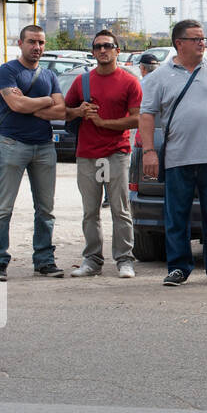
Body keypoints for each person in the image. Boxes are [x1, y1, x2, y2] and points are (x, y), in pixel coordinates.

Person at [138, 20, 207, 287]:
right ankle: (178, 268)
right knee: (176, 216)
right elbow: (147, 116)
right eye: (196, 39)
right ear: (179, 43)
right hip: (177, 158)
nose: (202, 43)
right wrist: (149, 151)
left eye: (203, 39)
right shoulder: (159, 77)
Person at [0, 25, 66, 280]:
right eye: (32, 42)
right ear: (20, 43)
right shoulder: (8, 71)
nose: (37, 47)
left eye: (41, 43)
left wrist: (30, 105)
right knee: (3, 208)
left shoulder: (49, 75)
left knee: (46, 209)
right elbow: (15, 103)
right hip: (12, 144)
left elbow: (61, 111)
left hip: (44, 146)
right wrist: (45, 101)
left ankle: (44, 260)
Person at [65, 29, 142, 279]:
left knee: (120, 209)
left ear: (117, 50)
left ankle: (124, 259)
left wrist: (103, 123)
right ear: (93, 51)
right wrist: (79, 111)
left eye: (107, 46)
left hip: (116, 153)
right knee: (90, 211)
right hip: (87, 154)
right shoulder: (82, 82)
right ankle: (92, 260)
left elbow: (137, 119)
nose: (102, 50)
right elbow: (65, 111)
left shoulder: (130, 82)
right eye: (98, 46)